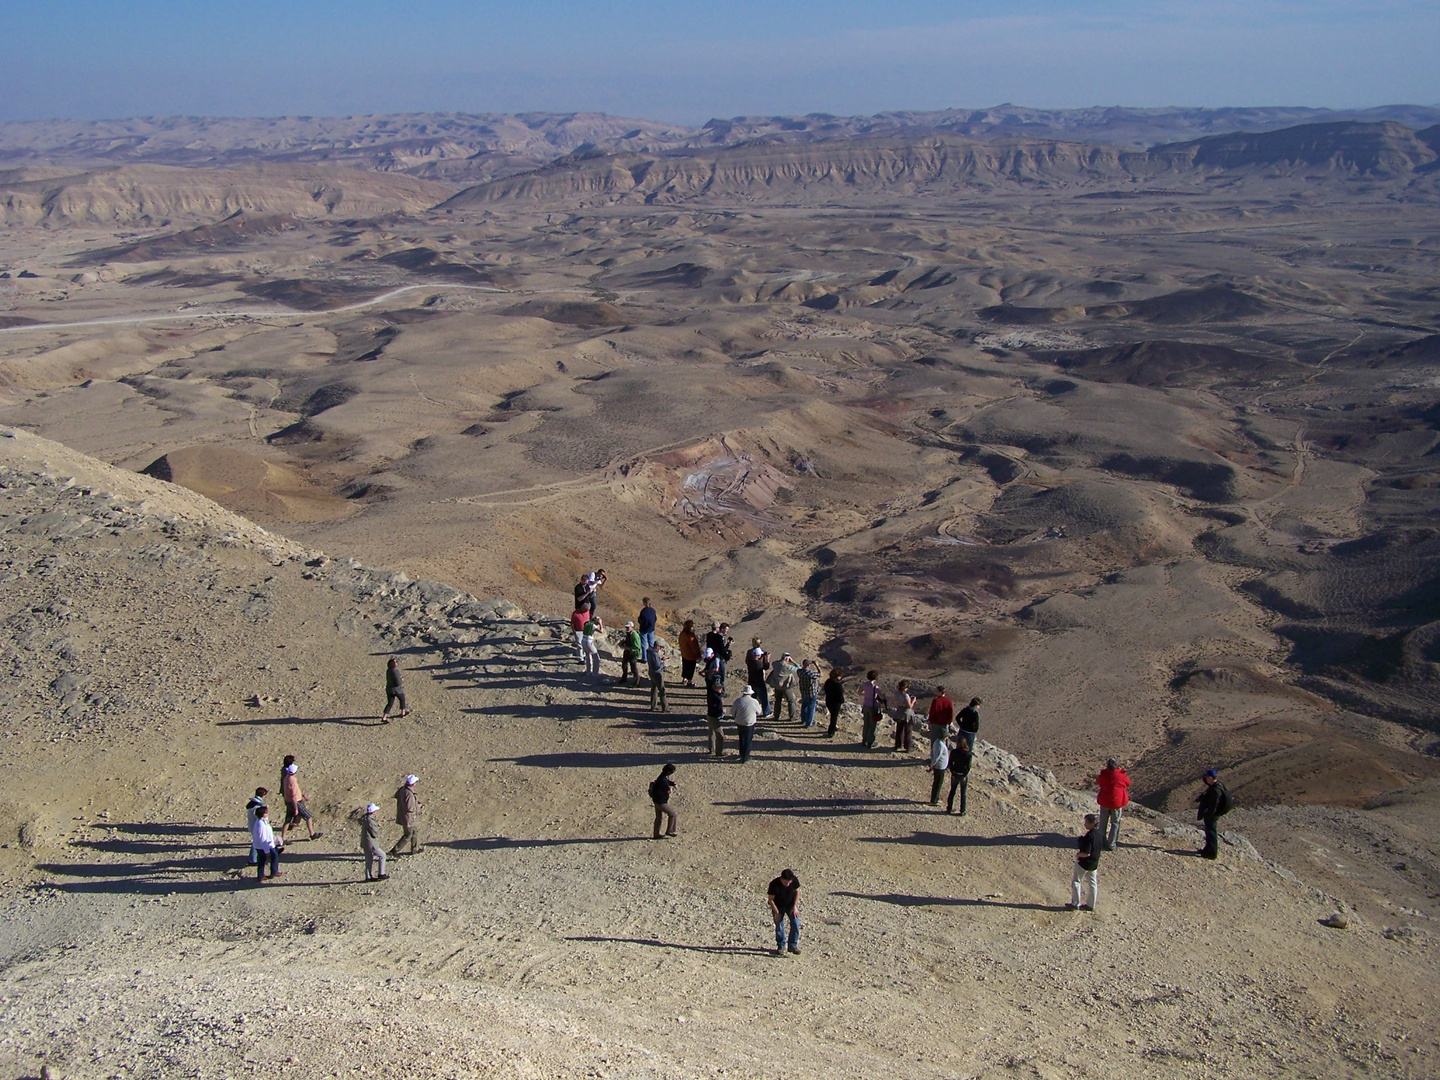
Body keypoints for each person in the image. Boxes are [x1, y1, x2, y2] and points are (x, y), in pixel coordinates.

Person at [279, 757, 321, 844]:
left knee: (288, 820)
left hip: (289, 801)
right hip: (295, 802)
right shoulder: (292, 781)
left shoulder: (286, 778)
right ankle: (312, 834)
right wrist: (296, 809)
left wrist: (302, 795)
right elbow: (294, 796)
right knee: (308, 816)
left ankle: (283, 837)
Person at [1066, 813, 1101, 911]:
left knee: (1076, 881)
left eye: (1086, 822)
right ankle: (1091, 905)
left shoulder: (1089, 836)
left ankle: (1075, 904)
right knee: (1092, 884)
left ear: (1092, 824)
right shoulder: (1100, 834)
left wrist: (1078, 855)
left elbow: (1086, 853)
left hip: (1084, 863)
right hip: (1094, 863)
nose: (1085, 824)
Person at [1096, 758, 1132, 851]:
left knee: (1103, 823)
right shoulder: (1121, 775)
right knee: (1115, 823)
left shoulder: (1104, 775)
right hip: (1117, 803)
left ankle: (1100, 843)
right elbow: (1128, 783)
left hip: (1105, 802)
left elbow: (1099, 782)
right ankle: (1111, 844)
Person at [1195, 768, 1231, 860]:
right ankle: (1207, 849)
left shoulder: (1215, 790)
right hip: (1212, 814)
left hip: (1212, 815)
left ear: (1211, 778)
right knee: (1209, 832)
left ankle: (1212, 853)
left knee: (1211, 833)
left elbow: (1213, 805)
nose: (1205, 779)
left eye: (1207, 777)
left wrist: (1208, 814)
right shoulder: (1216, 786)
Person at [766, 868, 801, 956]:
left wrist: (794, 906)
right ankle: (781, 946)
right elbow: (771, 900)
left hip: (790, 905)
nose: (788, 884)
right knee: (779, 926)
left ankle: (793, 945)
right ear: (781, 879)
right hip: (778, 906)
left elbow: (797, 891)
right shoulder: (774, 884)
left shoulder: (794, 881)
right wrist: (777, 913)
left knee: (795, 924)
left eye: (789, 882)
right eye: (786, 882)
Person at [391, 774, 422, 856]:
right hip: (409, 818)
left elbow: (396, 796)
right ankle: (395, 850)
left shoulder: (402, 790)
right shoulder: (409, 794)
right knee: (408, 835)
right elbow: (410, 808)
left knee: (415, 831)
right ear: (413, 784)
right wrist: (418, 806)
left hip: (407, 818)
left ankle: (415, 848)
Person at [251, 805, 280, 882]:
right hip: (264, 846)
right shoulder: (260, 824)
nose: (267, 814)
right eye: (266, 813)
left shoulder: (262, 821)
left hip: (265, 845)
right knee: (271, 857)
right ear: (262, 814)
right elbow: (262, 838)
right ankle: (273, 872)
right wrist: (266, 851)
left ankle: (263, 875)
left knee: (263, 860)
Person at [704, 651, 726, 757]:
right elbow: (718, 709)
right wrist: (722, 712)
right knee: (720, 735)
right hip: (714, 717)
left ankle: (711, 749)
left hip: (709, 715)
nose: (721, 690)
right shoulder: (717, 698)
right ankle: (719, 752)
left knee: (711, 733)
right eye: (720, 688)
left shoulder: (711, 694)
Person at [733, 684, 762, 763]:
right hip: (750, 723)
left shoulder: (738, 701)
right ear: (751, 693)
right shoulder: (754, 702)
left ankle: (741, 754)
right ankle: (746, 757)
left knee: (741, 738)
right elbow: (759, 712)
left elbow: (732, 712)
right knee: (748, 740)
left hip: (740, 722)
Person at [649, 763, 678, 839]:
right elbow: (660, 791)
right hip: (661, 802)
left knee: (659, 818)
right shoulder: (662, 780)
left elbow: (666, 782)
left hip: (656, 801)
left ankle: (656, 834)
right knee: (673, 814)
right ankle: (670, 831)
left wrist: (672, 783)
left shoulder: (662, 777)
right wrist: (668, 791)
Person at [768, 652, 800, 722]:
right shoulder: (788, 667)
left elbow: (773, 662)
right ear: (787, 659)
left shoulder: (776, 664)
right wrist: (793, 661)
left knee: (778, 701)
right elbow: (799, 668)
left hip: (777, 686)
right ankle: (792, 717)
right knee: (791, 701)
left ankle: (776, 716)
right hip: (786, 686)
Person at [360, 803, 388, 881]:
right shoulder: (370, 821)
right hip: (371, 842)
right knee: (382, 855)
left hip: (365, 842)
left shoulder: (365, 819)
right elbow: (374, 833)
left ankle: (368, 876)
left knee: (369, 859)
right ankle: (381, 873)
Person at [947, 735, 973, 814]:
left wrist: (953, 772)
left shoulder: (954, 752)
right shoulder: (968, 754)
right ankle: (962, 810)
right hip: (962, 775)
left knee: (952, 791)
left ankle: (949, 808)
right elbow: (968, 766)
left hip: (955, 774)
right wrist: (964, 775)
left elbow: (950, 763)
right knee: (963, 793)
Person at [746, 638, 771, 718]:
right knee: (764, 698)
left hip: (751, 681)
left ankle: (753, 712)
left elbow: (748, 660)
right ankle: (767, 712)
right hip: (759, 682)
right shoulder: (759, 664)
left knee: (753, 698)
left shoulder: (750, 658)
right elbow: (765, 667)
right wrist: (767, 658)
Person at [860, 671, 883, 748]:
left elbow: (859, 692)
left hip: (865, 705)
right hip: (873, 707)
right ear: (876, 678)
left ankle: (864, 740)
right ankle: (870, 742)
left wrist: (866, 693)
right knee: (872, 725)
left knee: (866, 723)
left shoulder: (864, 685)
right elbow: (882, 696)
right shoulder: (875, 688)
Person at [246, 787, 268, 866]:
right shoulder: (257, 806)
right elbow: (259, 817)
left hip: (252, 825)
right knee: (256, 842)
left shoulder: (253, 803)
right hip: (256, 826)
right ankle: (253, 859)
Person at [928, 725, 950, 805]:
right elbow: (936, 757)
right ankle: (934, 800)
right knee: (938, 783)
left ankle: (935, 798)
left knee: (938, 783)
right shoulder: (939, 745)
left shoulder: (938, 742)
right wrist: (932, 765)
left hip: (940, 766)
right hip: (940, 767)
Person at [893, 679, 917, 752]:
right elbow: (909, 706)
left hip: (899, 712)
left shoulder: (896, 693)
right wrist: (913, 701)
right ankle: (908, 747)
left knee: (899, 730)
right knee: (908, 731)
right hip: (906, 714)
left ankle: (898, 745)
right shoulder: (905, 695)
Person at [381, 658, 408, 722]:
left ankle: (384, 717)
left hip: (389, 689)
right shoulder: (394, 672)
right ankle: (402, 712)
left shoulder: (388, 670)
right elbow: (398, 682)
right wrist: (401, 679)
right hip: (396, 690)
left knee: (390, 703)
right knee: (402, 699)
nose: (396, 663)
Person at [823, 667, 845, 739]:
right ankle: (831, 732)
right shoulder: (837, 685)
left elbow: (825, 690)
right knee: (834, 717)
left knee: (832, 715)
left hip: (828, 701)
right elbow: (840, 695)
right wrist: (842, 701)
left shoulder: (828, 681)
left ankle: (833, 727)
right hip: (836, 703)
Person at [678, 620, 702, 686]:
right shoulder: (690, 635)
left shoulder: (682, 633)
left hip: (684, 653)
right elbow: (694, 646)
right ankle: (689, 681)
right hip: (691, 655)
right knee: (690, 668)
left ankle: (684, 679)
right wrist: (697, 654)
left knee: (685, 666)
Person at [798, 660, 821, 729]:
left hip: (803, 692)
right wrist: (817, 666)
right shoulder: (810, 673)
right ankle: (809, 723)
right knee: (811, 708)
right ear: (809, 665)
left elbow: (798, 668)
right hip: (811, 693)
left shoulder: (799, 672)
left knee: (804, 705)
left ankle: (803, 720)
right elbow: (820, 674)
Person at [647, 640, 669, 712]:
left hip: (651, 673)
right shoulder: (655, 654)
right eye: (660, 647)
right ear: (658, 646)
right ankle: (665, 707)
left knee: (654, 690)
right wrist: (663, 662)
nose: (660, 649)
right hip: (657, 674)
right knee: (662, 690)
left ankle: (653, 706)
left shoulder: (649, 652)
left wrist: (660, 659)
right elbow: (657, 666)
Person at [619, 621, 643, 687]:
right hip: (627, 652)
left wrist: (627, 648)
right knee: (624, 665)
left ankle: (637, 682)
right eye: (626, 627)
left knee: (633, 668)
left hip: (633, 653)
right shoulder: (629, 634)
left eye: (628, 627)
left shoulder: (634, 635)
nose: (627, 628)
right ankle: (624, 678)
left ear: (632, 627)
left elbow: (637, 646)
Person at [637, 598, 657, 662]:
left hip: (644, 629)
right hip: (651, 629)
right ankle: (652, 658)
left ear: (645, 603)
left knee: (644, 644)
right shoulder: (653, 610)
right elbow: (655, 619)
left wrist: (639, 620)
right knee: (651, 644)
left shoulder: (643, 611)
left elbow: (641, 621)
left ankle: (644, 658)